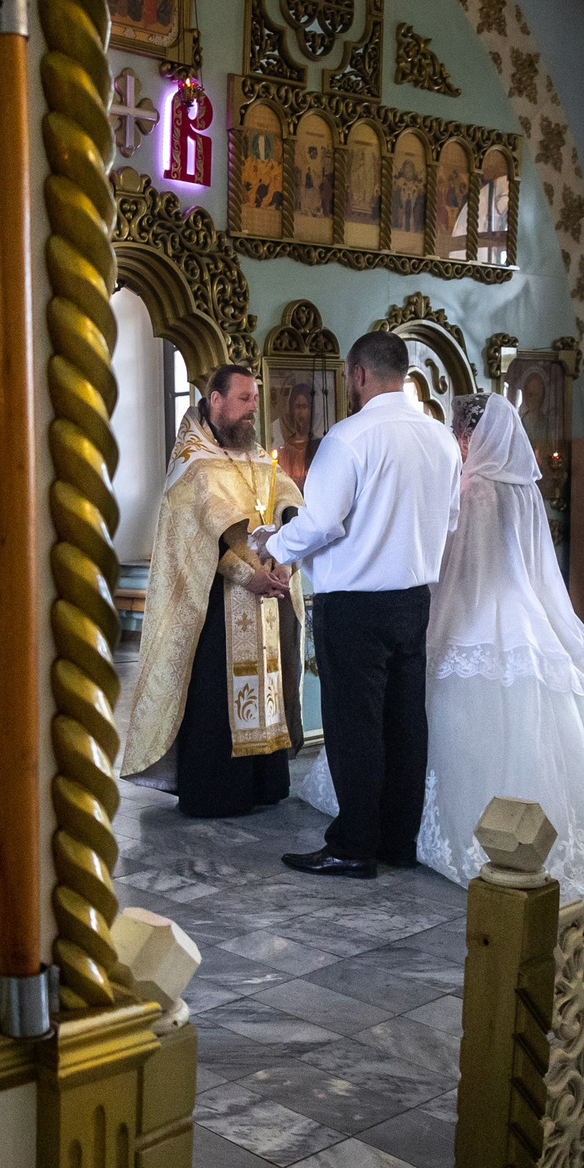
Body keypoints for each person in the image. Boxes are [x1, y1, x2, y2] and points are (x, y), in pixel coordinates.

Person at [301, 395, 584, 895]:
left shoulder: (476, 490)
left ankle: (394, 824)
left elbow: (454, 561)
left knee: (407, 714)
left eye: (460, 432)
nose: (457, 440)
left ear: (473, 436)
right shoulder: (524, 487)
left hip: (474, 609)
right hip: (530, 611)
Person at [255, 330, 459, 876]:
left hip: (354, 604)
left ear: (360, 374)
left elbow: (321, 523)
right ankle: (397, 840)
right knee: (404, 721)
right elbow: (452, 522)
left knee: (355, 725)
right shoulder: (440, 439)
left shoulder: (349, 438)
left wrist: (270, 544)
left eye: (349, 377)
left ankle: (353, 846)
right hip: (415, 599)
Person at [116, 364, 306, 816]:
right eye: (243, 399)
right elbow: (198, 541)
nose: (251, 409)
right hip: (215, 605)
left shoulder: (257, 454)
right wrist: (248, 575)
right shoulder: (192, 464)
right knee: (217, 698)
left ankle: (263, 784)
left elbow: (285, 499)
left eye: (254, 399)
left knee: (268, 686)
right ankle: (219, 792)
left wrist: (284, 559)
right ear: (215, 399)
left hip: (267, 598)